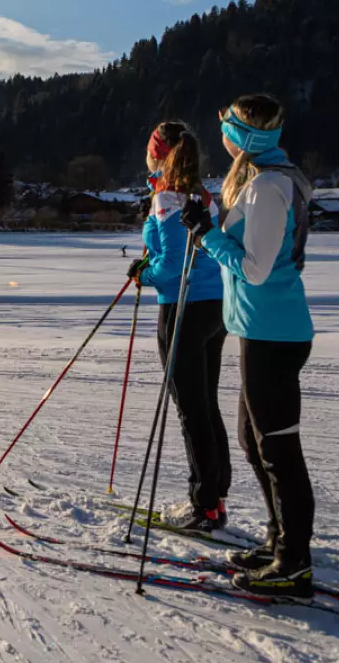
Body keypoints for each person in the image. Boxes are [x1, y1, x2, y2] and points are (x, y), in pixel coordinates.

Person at [181, 93, 315, 598]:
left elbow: (256, 269)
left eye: (229, 125)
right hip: (258, 330)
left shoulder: (268, 187)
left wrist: (207, 236)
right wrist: (211, 221)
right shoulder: (261, 180)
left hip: (274, 333)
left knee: (279, 452)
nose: (223, 133)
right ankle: (279, 541)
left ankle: (294, 562)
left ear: (246, 136)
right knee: (254, 446)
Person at [128, 121, 228, 532]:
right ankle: (214, 500)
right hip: (213, 308)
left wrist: (143, 274)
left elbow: (170, 267)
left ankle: (203, 504)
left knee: (191, 410)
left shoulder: (166, 199)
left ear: (157, 155)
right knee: (205, 405)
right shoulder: (203, 196)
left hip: (183, 309)